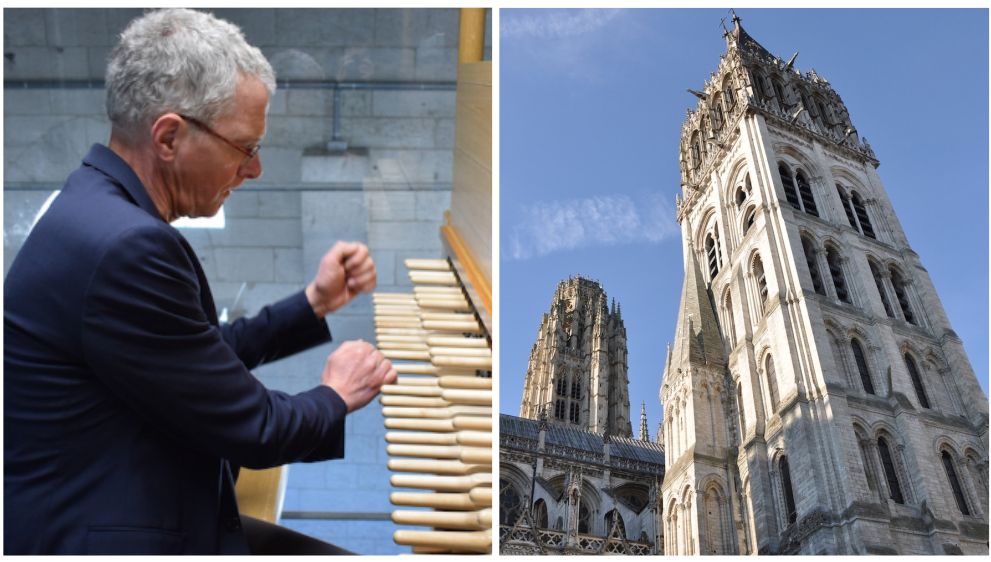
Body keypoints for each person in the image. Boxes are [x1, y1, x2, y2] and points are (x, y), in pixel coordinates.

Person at [4, 9, 396, 554]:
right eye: (246, 147)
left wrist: (314, 302)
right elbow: (256, 428)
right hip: (103, 535)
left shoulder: (95, 203)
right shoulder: (128, 246)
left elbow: (193, 355)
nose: (254, 170)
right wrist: (337, 393)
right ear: (169, 137)